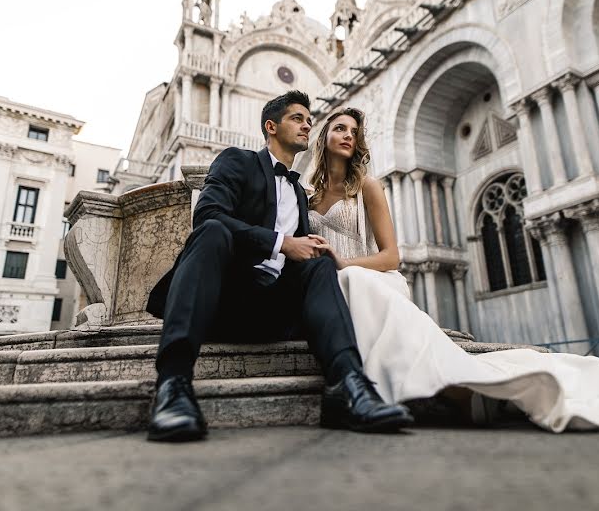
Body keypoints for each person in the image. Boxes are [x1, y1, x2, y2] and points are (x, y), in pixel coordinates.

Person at [306, 106, 599, 432]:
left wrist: (344, 262)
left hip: (369, 274)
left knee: (352, 281)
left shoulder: (368, 186)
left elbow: (392, 256)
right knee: (338, 285)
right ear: (324, 136)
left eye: (354, 131)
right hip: (331, 280)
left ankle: (439, 387)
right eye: (339, 128)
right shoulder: (306, 198)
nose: (348, 136)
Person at [144, 91, 413, 442]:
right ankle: (172, 386)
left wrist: (318, 252)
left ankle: (349, 386)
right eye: (297, 118)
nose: (307, 125)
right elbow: (208, 214)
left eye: (309, 120)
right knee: (212, 230)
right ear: (271, 127)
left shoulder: (301, 194)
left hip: (274, 312)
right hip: (222, 303)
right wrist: (282, 242)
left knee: (319, 266)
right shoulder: (237, 162)